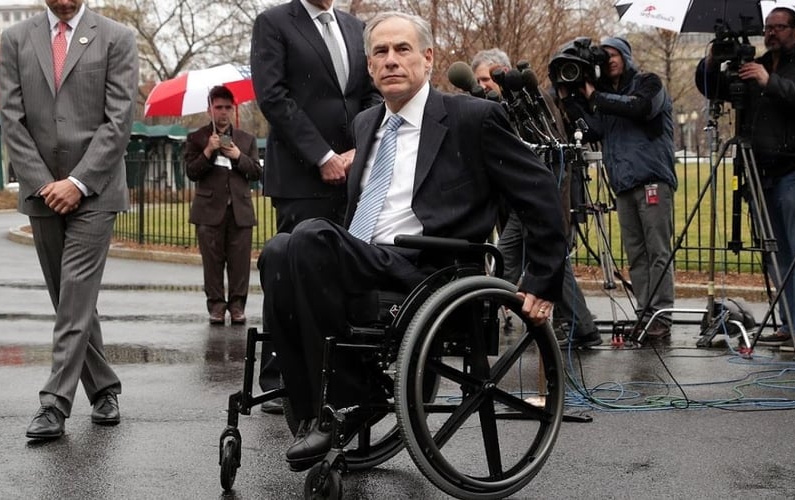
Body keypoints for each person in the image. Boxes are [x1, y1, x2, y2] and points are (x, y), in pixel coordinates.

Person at [257, 10, 569, 471]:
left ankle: (345, 400)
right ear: (369, 68)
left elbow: (540, 193)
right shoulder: (366, 124)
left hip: (430, 267)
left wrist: (541, 280)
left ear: (427, 58)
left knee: (307, 238)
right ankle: (314, 412)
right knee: (278, 250)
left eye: (402, 50)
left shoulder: (473, 117)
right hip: (368, 257)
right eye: (380, 52)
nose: (391, 60)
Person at [0, 0, 138, 440]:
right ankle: (104, 388)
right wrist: (43, 183)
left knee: (75, 289)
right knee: (69, 299)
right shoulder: (15, 38)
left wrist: (77, 182)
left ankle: (55, 402)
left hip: (95, 189)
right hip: (42, 191)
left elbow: (119, 121)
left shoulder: (117, 37)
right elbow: (12, 119)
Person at [250, 0, 381, 410]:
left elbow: (370, 93)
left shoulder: (355, 26)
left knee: (342, 272)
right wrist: (322, 156)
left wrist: (358, 150)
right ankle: (279, 375)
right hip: (301, 174)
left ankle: (335, 370)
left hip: (354, 170)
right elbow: (273, 97)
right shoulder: (273, 23)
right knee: (290, 269)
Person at [696, 7, 795, 348]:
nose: (771, 33)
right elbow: (712, 88)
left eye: (779, 27)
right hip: (761, 169)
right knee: (776, 254)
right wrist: (711, 61)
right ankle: (787, 324)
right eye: (768, 28)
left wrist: (770, 82)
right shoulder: (758, 64)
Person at [471, 47, 600, 348]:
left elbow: (552, 153)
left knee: (508, 258)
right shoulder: (495, 106)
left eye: (488, 78)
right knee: (540, 263)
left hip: (536, 198)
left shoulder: (530, 103)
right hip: (518, 201)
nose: (483, 85)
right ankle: (582, 327)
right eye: (478, 80)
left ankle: (483, 322)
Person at [559, 36, 676, 340]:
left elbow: (641, 108)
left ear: (626, 56)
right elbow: (595, 129)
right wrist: (572, 100)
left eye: (615, 54)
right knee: (637, 254)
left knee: (658, 250)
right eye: (604, 56)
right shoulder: (606, 96)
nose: (609, 60)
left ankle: (660, 316)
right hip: (623, 184)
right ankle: (644, 314)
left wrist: (594, 95)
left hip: (652, 180)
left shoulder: (647, 82)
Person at [184, 86, 263, 325]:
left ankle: (237, 306)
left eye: (228, 107)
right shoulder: (197, 138)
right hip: (209, 212)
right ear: (210, 109)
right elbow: (191, 172)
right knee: (212, 263)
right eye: (218, 107)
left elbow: (257, 172)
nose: (223, 112)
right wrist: (209, 150)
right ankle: (216, 307)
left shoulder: (246, 140)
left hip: (240, 211)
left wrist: (238, 156)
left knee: (240, 264)